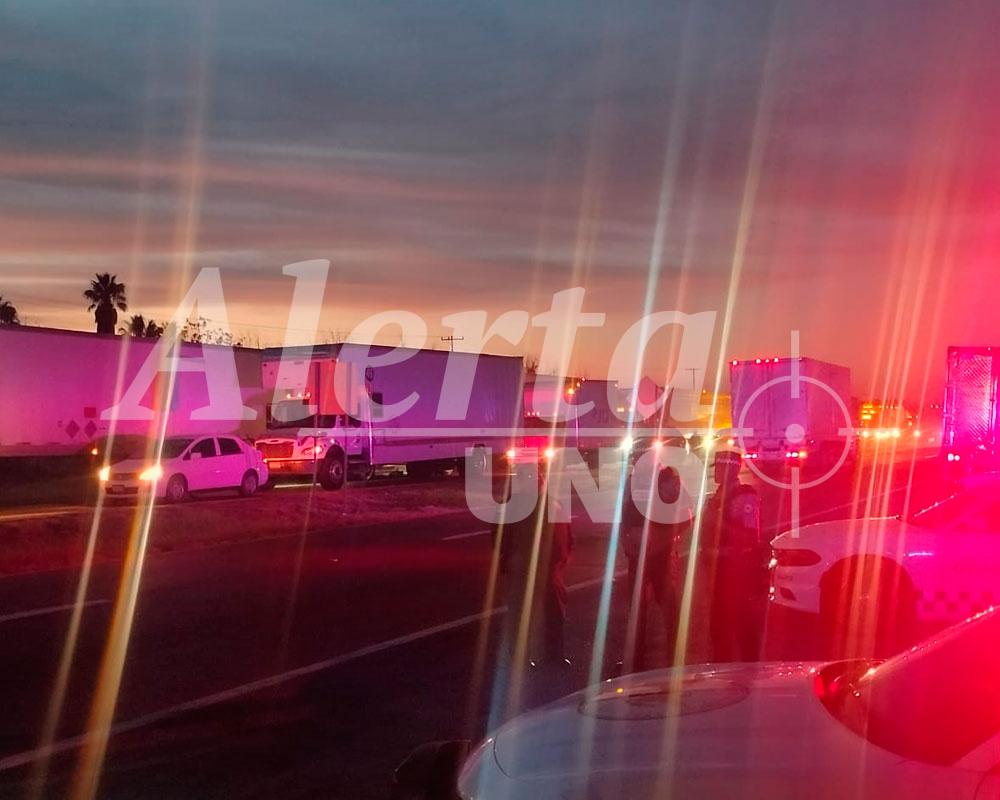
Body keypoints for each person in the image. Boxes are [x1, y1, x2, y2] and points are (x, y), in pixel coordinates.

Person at [496, 458, 574, 669]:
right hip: (536, 568)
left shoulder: (520, 504)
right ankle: (544, 657)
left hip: (538, 568)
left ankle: (535, 657)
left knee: (538, 615)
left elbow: (564, 534)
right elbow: (563, 536)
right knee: (543, 614)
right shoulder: (540, 503)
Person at [620, 465, 692, 673]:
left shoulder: (668, 477)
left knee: (669, 608)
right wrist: (627, 543)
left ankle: (675, 659)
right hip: (638, 556)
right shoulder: (635, 482)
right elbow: (625, 514)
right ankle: (636, 660)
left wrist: (662, 539)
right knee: (637, 610)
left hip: (662, 557)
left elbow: (687, 516)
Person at [701, 448, 768, 662]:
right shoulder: (718, 496)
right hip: (718, 569)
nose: (716, 472)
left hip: (736, 567)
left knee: (742, 622)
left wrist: (719, 522)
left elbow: (751, 537)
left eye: (720, 468)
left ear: (732, 470)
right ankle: (722, 667)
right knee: (718, 625)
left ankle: (750, 669)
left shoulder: (744, 496)